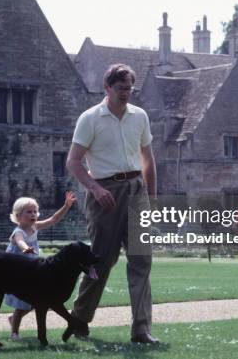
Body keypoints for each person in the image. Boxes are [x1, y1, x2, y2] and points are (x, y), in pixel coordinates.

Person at [66, 64, 159, 344]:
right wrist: (94, 188)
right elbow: (73, 161)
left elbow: (148, 159)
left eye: (129, 88)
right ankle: (79, 319)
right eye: (120, 88)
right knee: (101, 261)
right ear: (107, 88)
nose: (126, 93)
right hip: (104, 193)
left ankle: (141, 329)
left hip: (137, 192)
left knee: (142, 260)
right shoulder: (90, 118)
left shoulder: (139, 116)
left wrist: (152, 199)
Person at [5, 191, 77, 340]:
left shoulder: (35, 226)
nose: (33, 214)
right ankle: (14, 332)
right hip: (18, 272)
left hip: (32, 269)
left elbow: (53, 220)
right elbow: (19, 241)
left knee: (36, 301)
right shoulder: (18, 231)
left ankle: (13, 319)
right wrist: (25, 248)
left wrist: (66, 206)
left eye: (35, 211)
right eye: (28, 212)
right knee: (22, 302)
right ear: (18, 216)